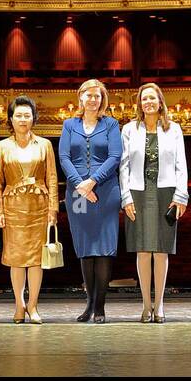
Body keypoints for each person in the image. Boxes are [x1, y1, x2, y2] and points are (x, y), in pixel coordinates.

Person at [119, 82, 187, 323]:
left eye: (152, 98)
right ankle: (145, 305)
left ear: (160, 102)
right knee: (142, 250)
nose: (148, 102)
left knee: (161, 251)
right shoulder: (129, 129)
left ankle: (159, 305)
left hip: (166, 192)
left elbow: (181, 165)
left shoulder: (174, 129)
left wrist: (180, 196)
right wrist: (125, 197)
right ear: (140, 103)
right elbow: (124, 166)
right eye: (144, 98)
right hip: (137, 192)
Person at [58, 79, 122, 323]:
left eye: (97, 96)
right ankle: (89, 304)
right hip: (77, 194)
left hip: (106, 191)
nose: (93, 99)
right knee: (85, 249)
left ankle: (101, 306)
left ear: (102, 99)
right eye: (89, 95)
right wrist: (80, 185)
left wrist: (92, 181)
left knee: (104, 248)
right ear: (80, 98)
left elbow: (115, 156)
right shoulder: (69, 124)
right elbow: (64, 157)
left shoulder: (111, 124)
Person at [0, 96, 59, 325]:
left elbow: (52, 177)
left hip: (39, 207)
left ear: (33, 118)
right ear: (11, 119)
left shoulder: (45, 145)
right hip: (12, 208)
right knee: (16, 259)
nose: (23, 119)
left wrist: (53, 208)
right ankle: (19, 305)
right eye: (18, 115)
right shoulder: (1, 147)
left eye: (27, 115)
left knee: (36, 259)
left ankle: (33, 305)